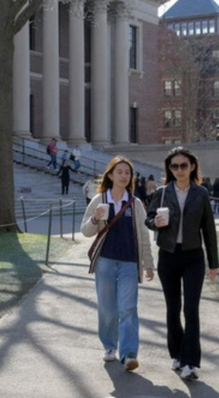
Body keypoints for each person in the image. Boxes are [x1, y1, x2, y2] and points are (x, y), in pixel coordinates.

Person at [145, 147, 219, 381]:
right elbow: (148, 218)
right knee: (172, 309)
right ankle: (176, 354)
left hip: (193, 256)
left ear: (192, 167)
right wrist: (155, 222)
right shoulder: (162, 193)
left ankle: (191, 361)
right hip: (168, 255)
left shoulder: (201, 194)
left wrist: (213, 262)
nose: (179, 170)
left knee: (191, 310)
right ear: (169, 169)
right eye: (174, 166)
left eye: (183, 166)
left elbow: (209, 229)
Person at [81, 156, 154, 372]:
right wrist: (95, 218)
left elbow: (143, 235)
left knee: (128, 308)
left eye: (127, 172)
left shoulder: (135, 203)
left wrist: (148, 263)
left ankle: (129, 353)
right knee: (107, 308)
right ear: (110, 175)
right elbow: (86, 231)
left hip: (129, 262)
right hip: (105, 261)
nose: (124, 175)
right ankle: (109, 346)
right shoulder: (99, 200)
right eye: (119, 171)